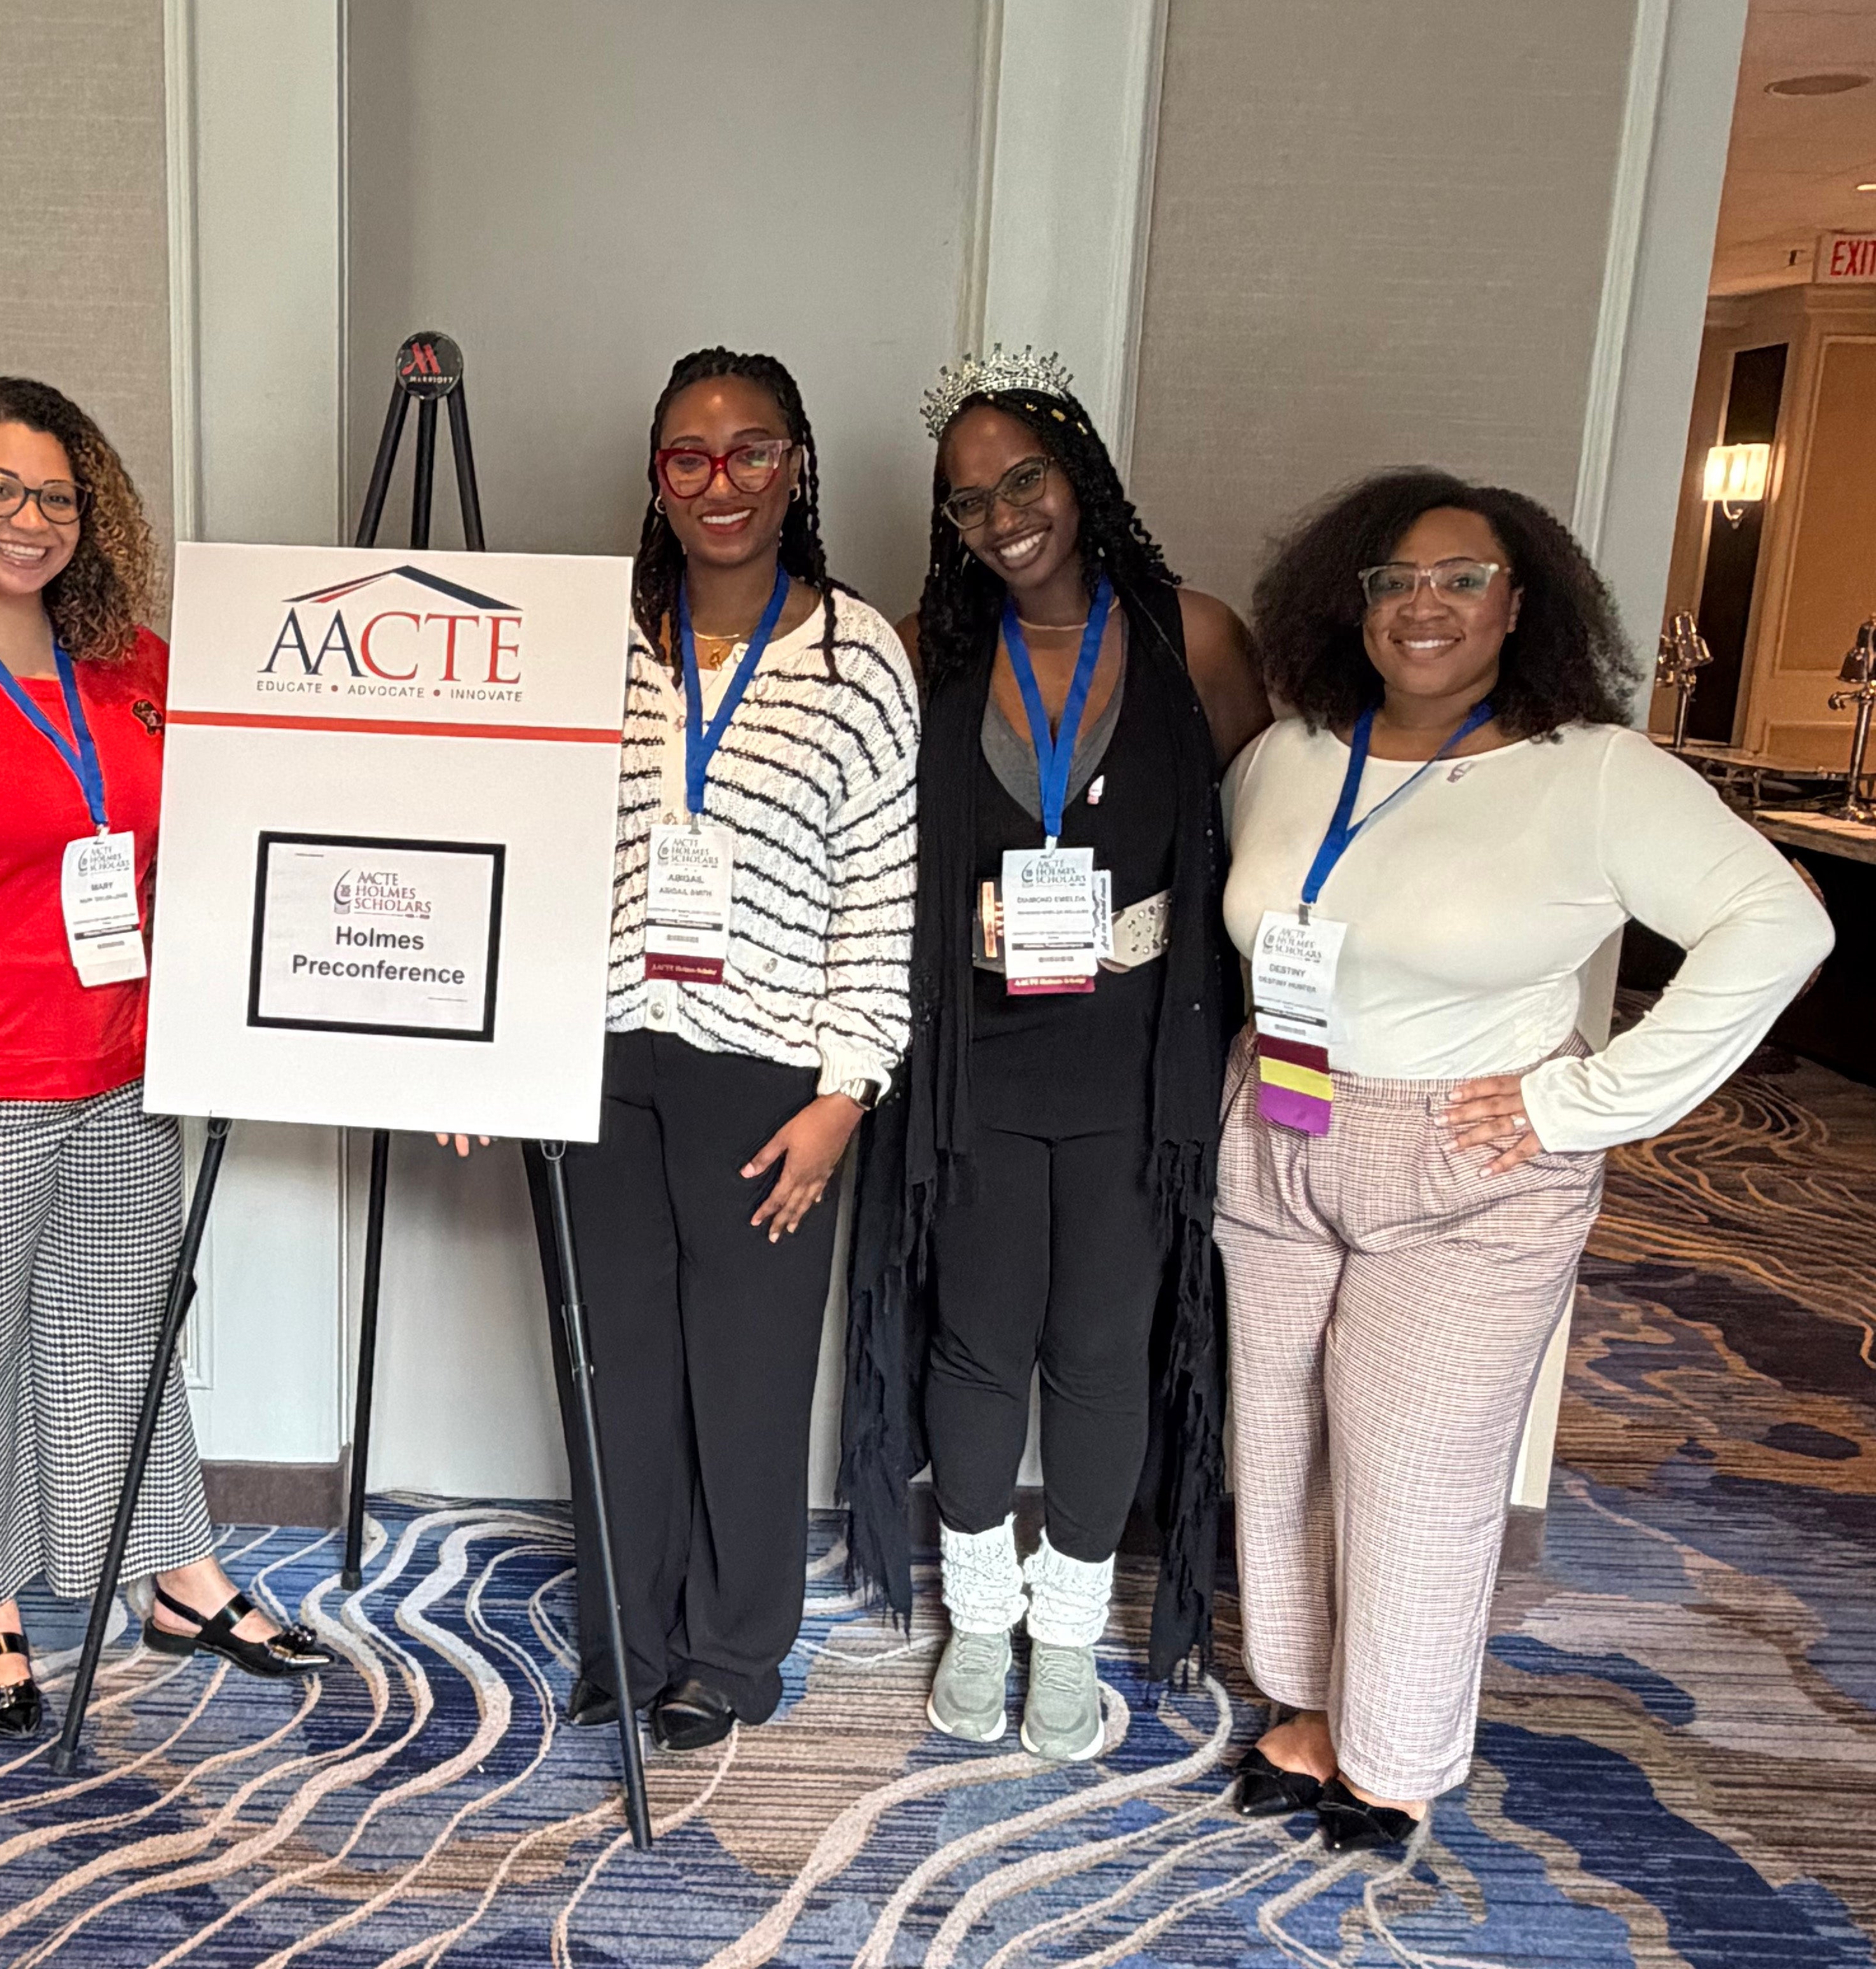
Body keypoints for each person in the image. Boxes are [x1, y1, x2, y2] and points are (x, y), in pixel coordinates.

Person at [1217, 469, 1831, 1851]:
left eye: (1461, 578)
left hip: (1470, 1162)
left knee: (1417, 1469)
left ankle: (1393, 1754)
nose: (1422, 604)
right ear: (1350, 604)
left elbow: (1781, 927)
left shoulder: (1595, 772)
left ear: (1519, 604)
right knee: (1288, 1446)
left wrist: (1586, 1103)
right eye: (1392, 580)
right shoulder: (1290, 753)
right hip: (1280, 1133)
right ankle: (1312, 1702)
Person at [0, 377, 329, 1739]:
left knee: (124, 1336)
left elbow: (226, 828)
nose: (28, 520)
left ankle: (174, 1574)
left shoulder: (132, 666)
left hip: (122, 1069)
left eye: (57, 497)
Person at [459, 347, 916, 1753]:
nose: (723, 482)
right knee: (614, 1373)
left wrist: (847, 1094)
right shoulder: (588, 640)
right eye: (690, 456)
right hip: (593, 1058)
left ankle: (728, 1649)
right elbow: (524, 850)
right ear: (656, 478)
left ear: (798, 466)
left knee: (750, 1380)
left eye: (752, 450)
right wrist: (481, 1048)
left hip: (770, 1076)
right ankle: (628, 1638)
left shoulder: (859, 656)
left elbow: (880, 895)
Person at [839, 346, 1271, 1763]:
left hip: (1134, 1062)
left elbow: (1268, 828)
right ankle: (980, 1617)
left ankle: (1070, 1630)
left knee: (1098, 1350)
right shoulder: (930, 648)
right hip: (976, 1059)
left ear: (1077, 476)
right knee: (977, 1345)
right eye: (968, 501)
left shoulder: (1194, 637)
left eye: (1023, 479)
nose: (1002, 517)